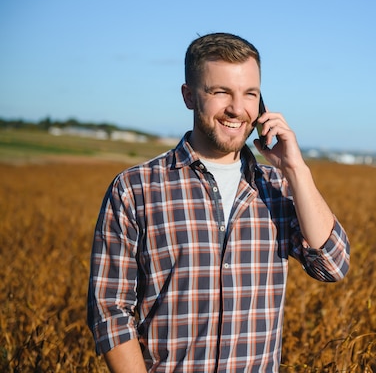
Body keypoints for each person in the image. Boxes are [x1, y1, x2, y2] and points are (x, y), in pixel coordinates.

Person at [87, 32, 350, 372]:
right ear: (189, 96)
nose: (237, 109)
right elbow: (109, 310)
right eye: (220, 91)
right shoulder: (135, 188)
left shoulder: (278, 188)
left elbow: (332, 265)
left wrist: (295, 170)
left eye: (249, 94)